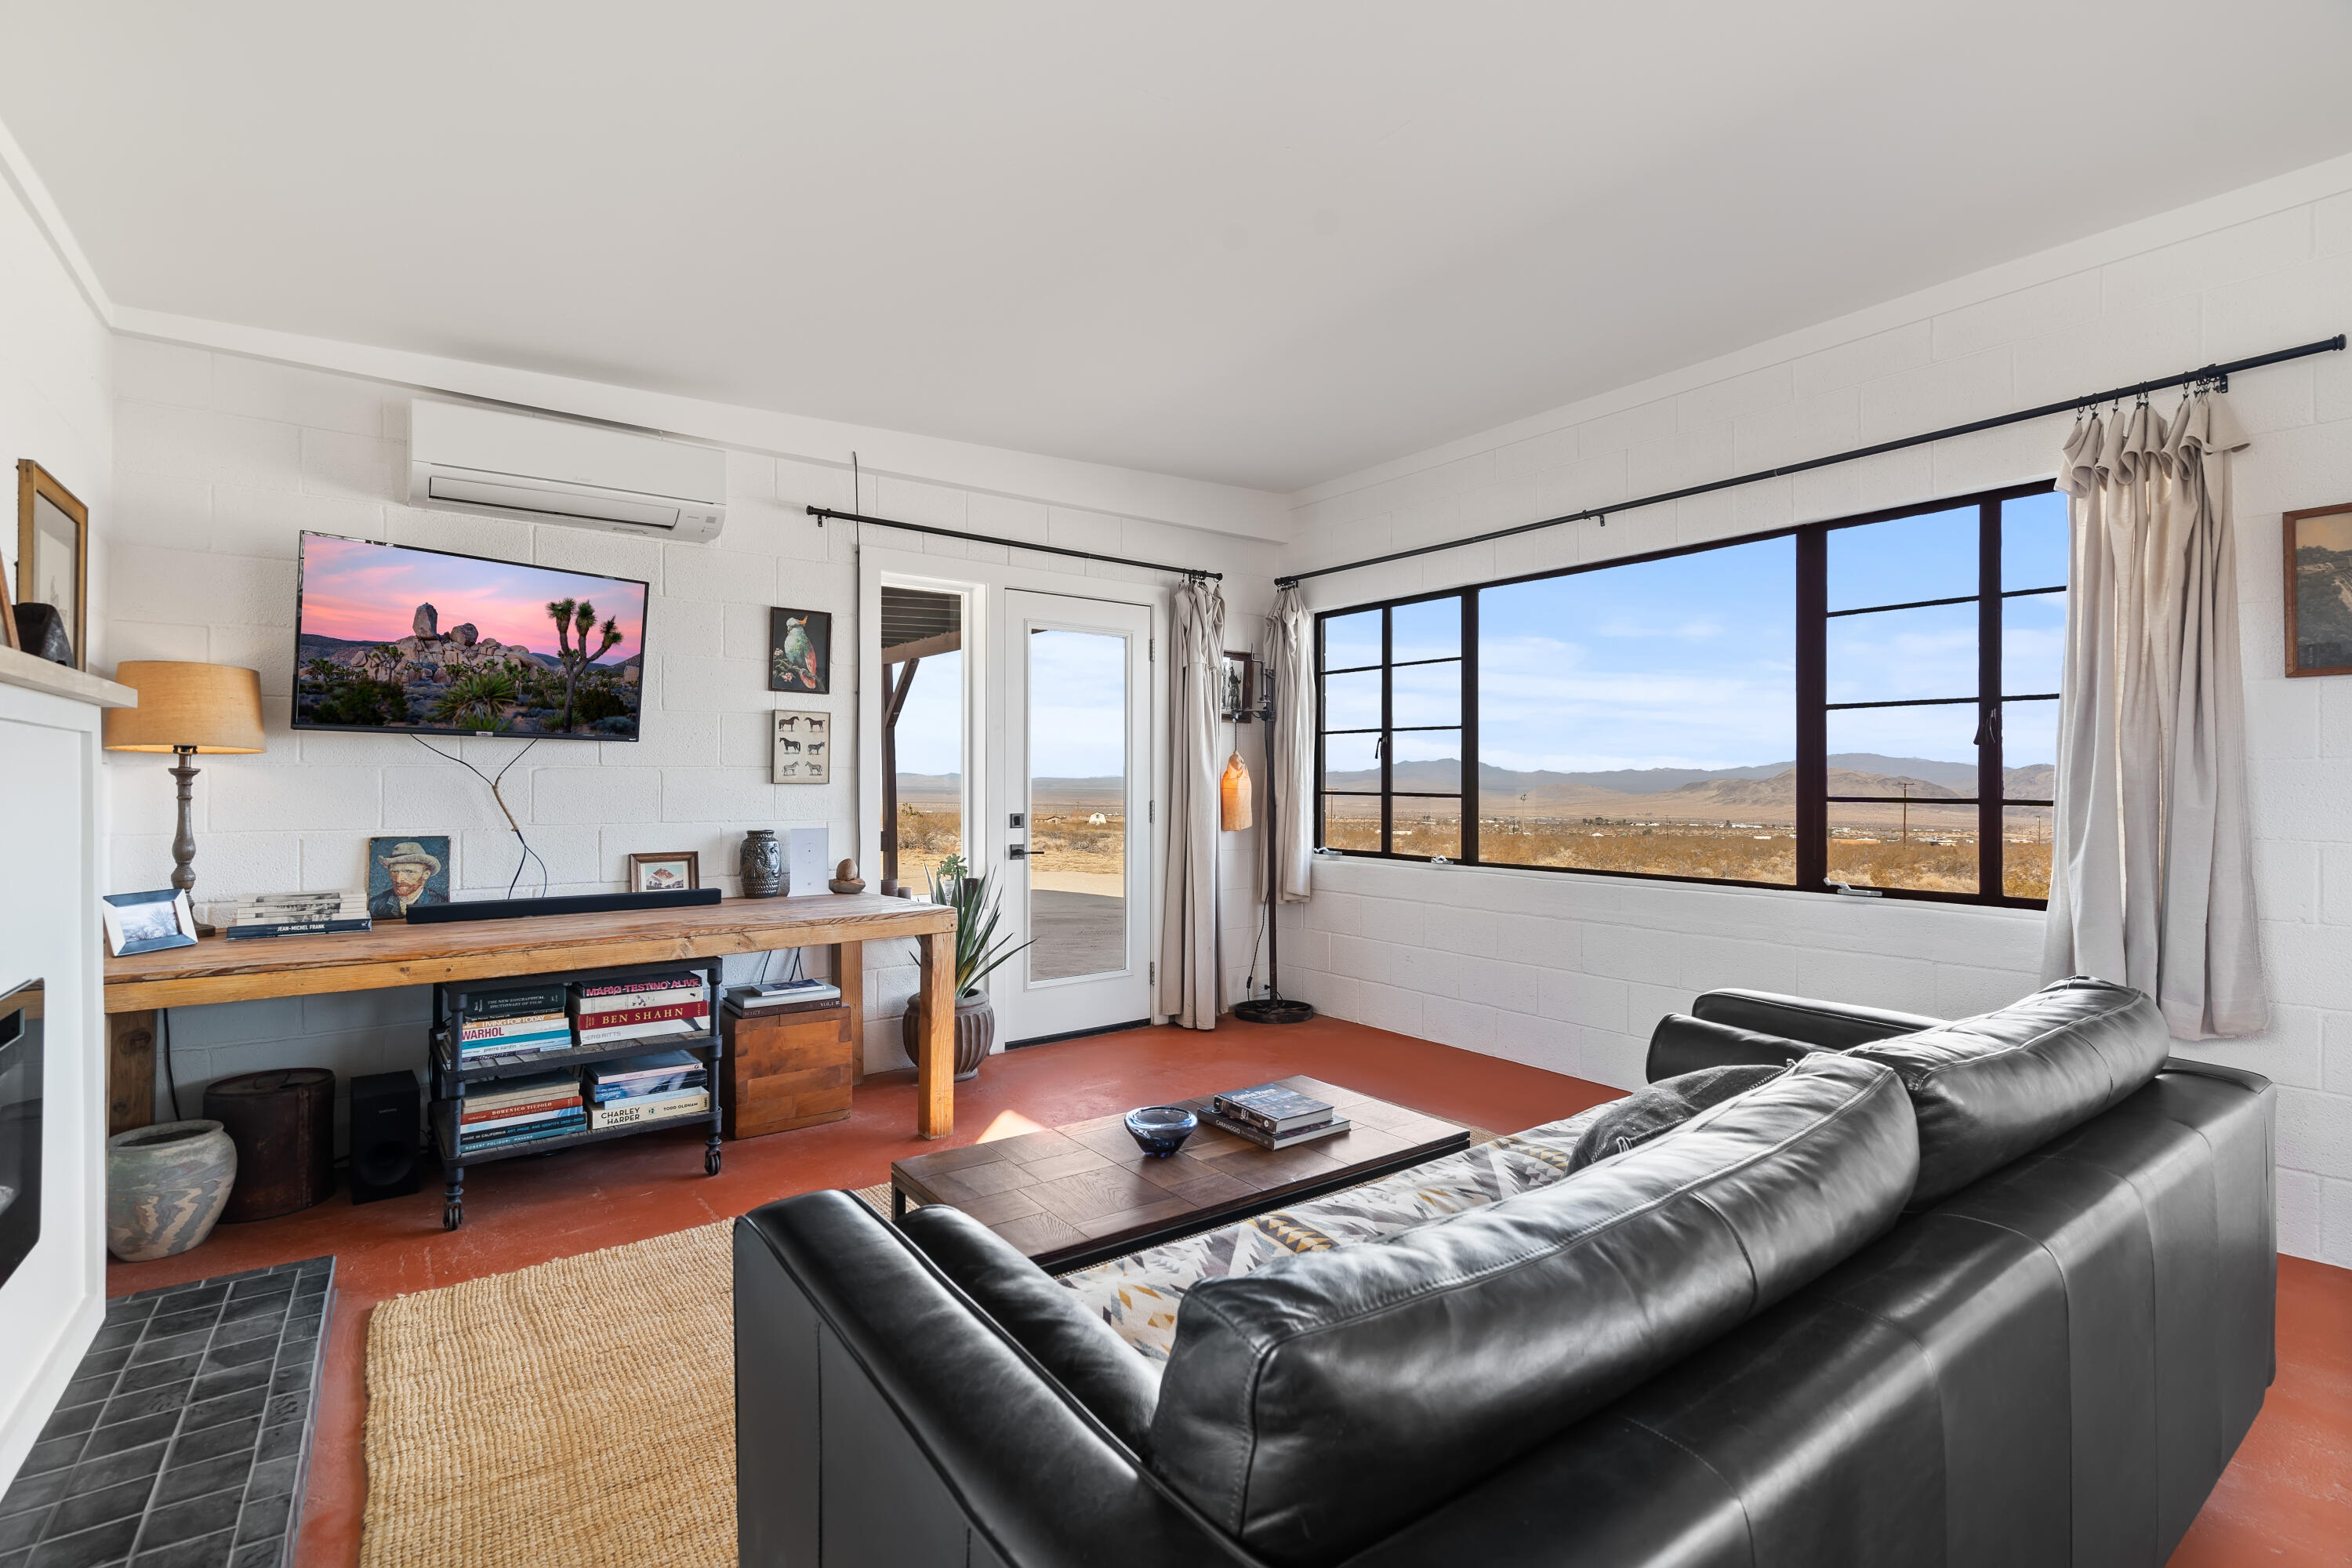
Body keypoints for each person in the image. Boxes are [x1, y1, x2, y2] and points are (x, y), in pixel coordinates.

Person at [370, 841, 445, 920]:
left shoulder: (440, 903)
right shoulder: (375, 904)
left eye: (409, 872)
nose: (399, 879)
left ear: (426, 874)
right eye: (395, 871)